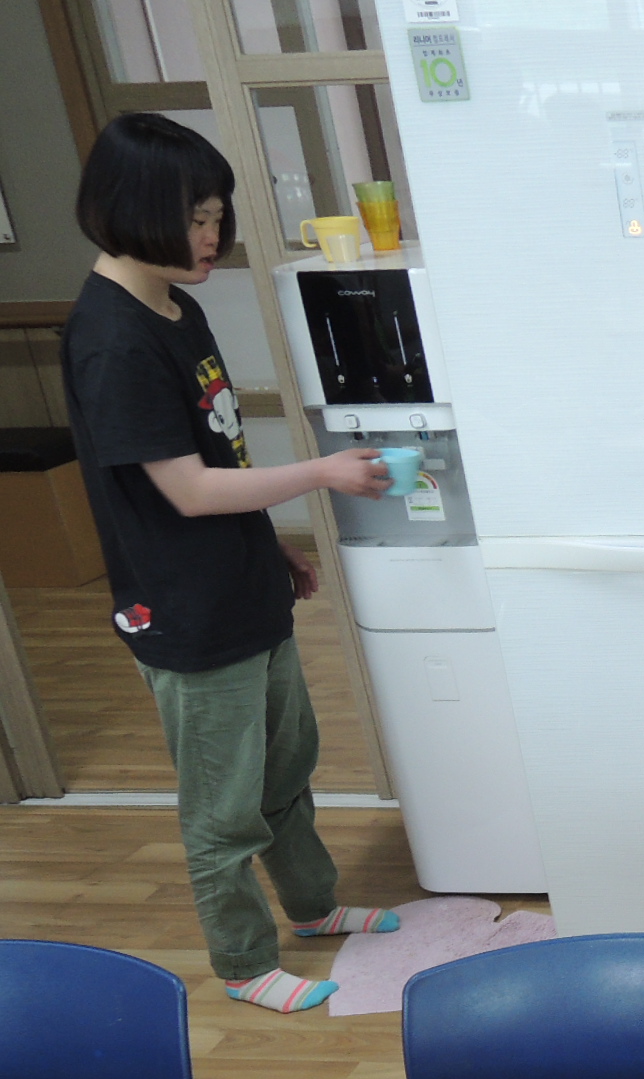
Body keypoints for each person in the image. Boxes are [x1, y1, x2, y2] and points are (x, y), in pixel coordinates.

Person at [61, 114, 403, 1014]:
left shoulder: (177, 306)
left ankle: (315, 907)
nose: (212, 236)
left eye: (217, 215)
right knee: (223, 805)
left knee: (287, 766)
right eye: (195, 218)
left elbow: (219, 459)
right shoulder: (113, 340)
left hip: (240, 585)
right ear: (132, 211)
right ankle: (245, 964)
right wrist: (323, 473)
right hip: (186, 613)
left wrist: (268, 542)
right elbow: (185, 490)